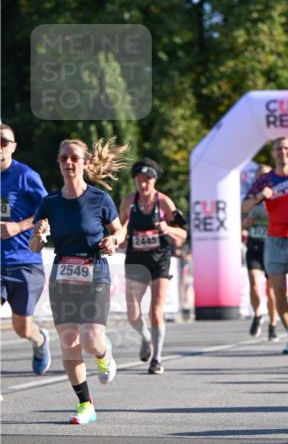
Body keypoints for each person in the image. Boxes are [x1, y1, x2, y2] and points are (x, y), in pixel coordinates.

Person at [29, 138, 127, 424]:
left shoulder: (99, 199)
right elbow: (35, 247)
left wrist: (112, 240)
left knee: (90, 337)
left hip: (95, 271)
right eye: (63, 158)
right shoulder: (50, 203)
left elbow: (119, 232)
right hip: (63, 275)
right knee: (69, 340)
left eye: (74, 158)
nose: (69, 163)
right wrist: (38, 234)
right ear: (59, 163)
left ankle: (104, 354)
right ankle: (86, 404)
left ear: (85, 163)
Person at [242, 138, 288, 355]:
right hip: (273, 239)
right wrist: (260, 196)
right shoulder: (265, 179)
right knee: (278, 293)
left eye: (287, 148)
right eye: (278, 148)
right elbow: (243, 207)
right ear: (273, 154)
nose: (283, 151)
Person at [118, 157, 188, 374]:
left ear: (155, 180)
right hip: (136, 260)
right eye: (139, 180)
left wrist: (167, 229)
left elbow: (183, 234)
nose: (143, 184)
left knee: (155, 311)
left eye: (147, 180)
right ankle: (146, 337)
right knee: (132, 313)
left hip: (159, 260)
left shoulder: (165, 203)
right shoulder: (128, 202)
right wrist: (117, 239)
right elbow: (119, 229)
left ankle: (156, 359)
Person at [0, 123, 51, 375]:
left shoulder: (25, 175)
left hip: (24, 261)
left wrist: (19, 226)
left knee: (21, 328)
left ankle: (39, 340)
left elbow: (46, 211)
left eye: (3, 142)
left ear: (13, 146)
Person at [243, 164, 278, 341]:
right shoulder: (251, 197)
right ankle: (258, 315)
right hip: (254, 245)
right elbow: (241, 219)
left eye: (265, 176)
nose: (262, 181)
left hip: (272, 246)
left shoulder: (277, 196)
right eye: (259, 177)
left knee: (271, 290)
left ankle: (273, 325)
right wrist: (245, 223)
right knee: (255, 285)